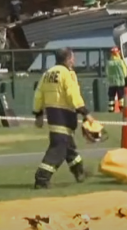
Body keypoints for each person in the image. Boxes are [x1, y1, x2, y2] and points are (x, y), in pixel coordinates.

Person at [33, 47, 95, 188]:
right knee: (58, 150)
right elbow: (73, 95)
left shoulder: (47, 74)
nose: (74, 60)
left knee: (68, 147)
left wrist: (38, 114)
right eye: (72, 58)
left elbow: (38, 95)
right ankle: (41, 179)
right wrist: (85, 112)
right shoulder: (67, 74)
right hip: (64, 117)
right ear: (67, 59)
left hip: (53, 117)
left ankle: (79, 172)